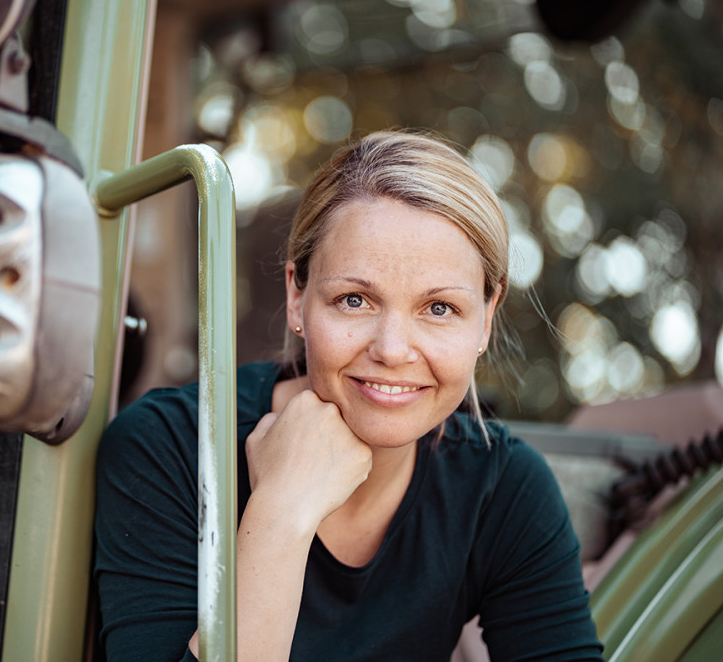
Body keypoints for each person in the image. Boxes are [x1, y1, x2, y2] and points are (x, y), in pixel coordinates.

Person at [93, 130, 603, 661]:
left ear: (485, 318)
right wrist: (282, 513)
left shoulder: (503, 489)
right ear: (298, 297)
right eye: (354, 299)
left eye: (439, 308)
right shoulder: (169, 449)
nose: (393, 350)